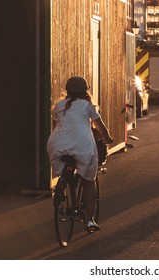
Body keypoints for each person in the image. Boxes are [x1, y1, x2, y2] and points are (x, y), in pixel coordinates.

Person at [47, 76, 113, 231]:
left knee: (65, 169)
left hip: (57, 145)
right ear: (85, 91)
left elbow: (56, 125)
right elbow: (100, 126)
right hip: (82, 146)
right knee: (88, 180)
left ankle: (64, 187)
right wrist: (108, 138)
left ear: (68, 90)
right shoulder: (87, 106)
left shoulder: (59, 106)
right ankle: (89, 219)